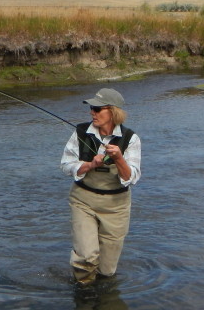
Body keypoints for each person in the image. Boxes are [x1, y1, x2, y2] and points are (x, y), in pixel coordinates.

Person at [59, 87, 142, 286]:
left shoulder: (131, 139)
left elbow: (132, 178)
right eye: (91, 109)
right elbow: (65, 165)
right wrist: (90, 164)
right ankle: (84, 299)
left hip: (117, 206)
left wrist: (119, 158)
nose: (92, 113)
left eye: (97, 109)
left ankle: (103, 304)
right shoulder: (79, 133)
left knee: (107, 270)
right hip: (83, 201)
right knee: (86, 258)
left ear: (113, 112)